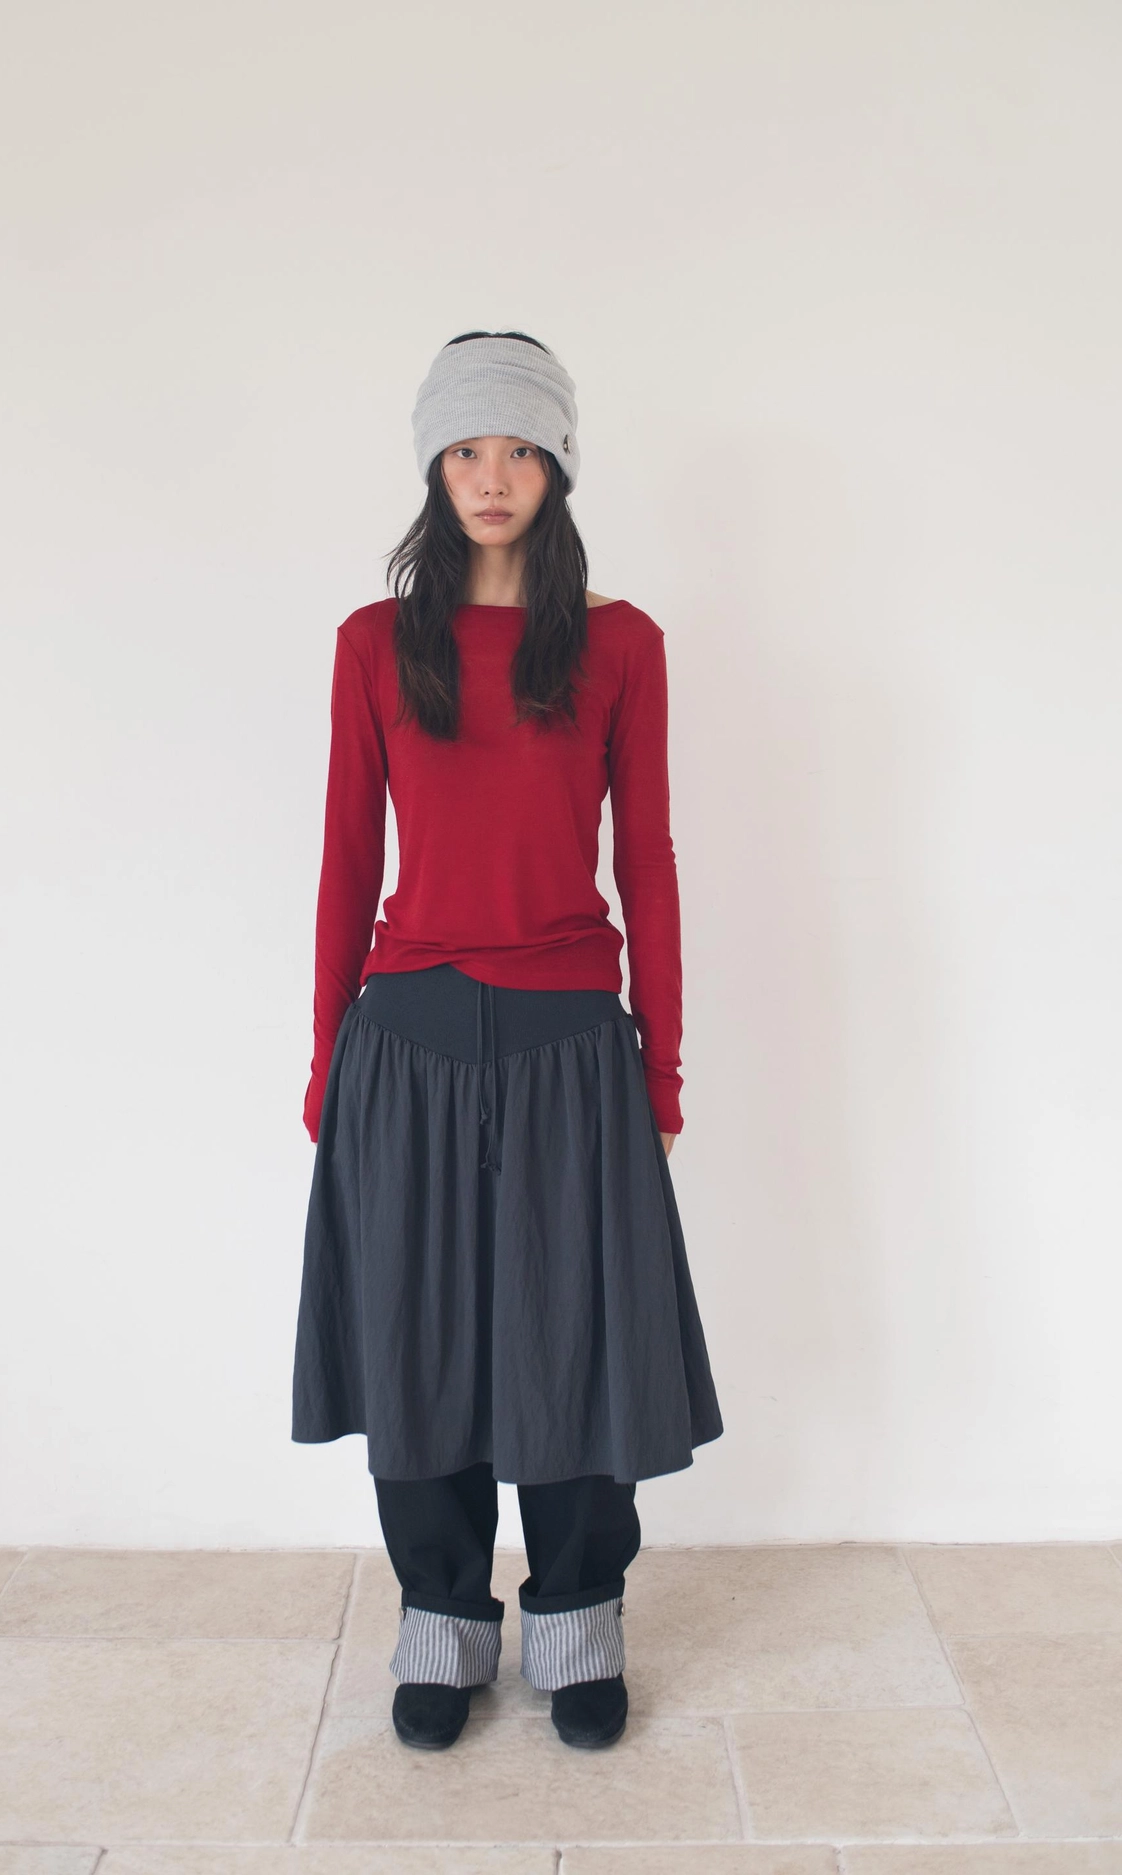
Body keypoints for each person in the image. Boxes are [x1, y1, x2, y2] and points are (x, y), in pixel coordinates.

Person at [292, 329, 724, 1751]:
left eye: (521, 450)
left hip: (568, 1040)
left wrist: (660, 1068)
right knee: (416, 1346)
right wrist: (325, 1062)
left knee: (575, 1342)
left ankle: (578, 1620)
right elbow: (347, 860)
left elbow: (646, 857)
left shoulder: (619, 643)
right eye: (468, 450)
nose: (492, 477)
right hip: (406, 1038)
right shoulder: (373, 644)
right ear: (434, 465)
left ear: (558, 469)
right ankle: (442, 1623)